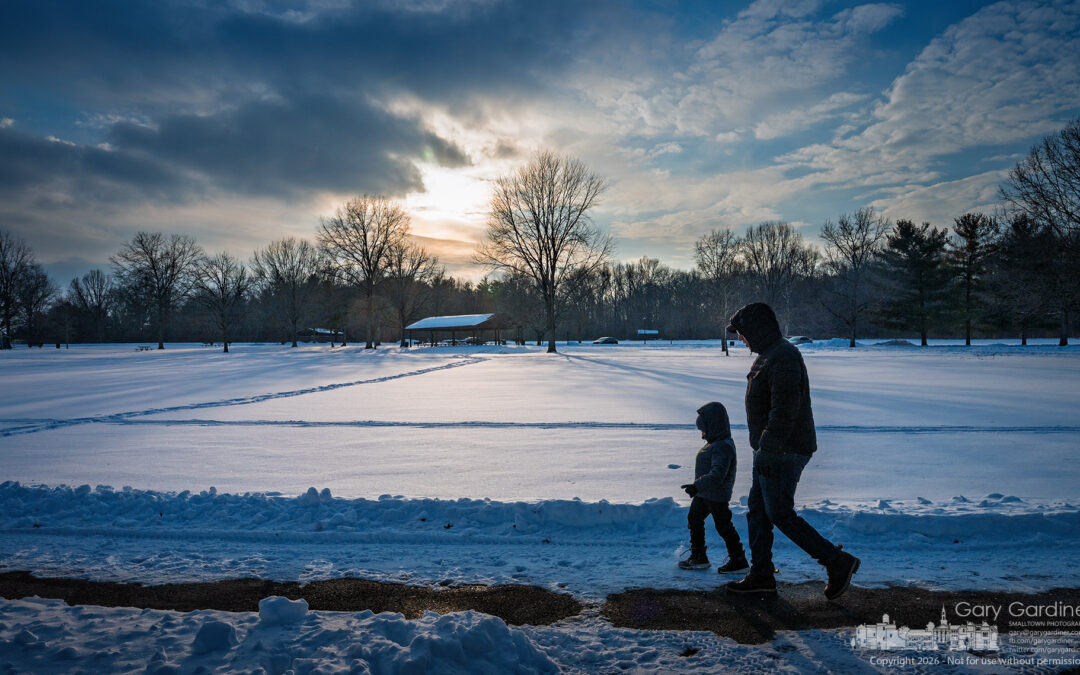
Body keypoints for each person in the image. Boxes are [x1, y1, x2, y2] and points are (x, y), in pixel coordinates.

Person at [723, 302, 860, 600]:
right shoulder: (768, 355)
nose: (740, 339)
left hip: (784, 450)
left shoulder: (783, 356)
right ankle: (761, 574)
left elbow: (784, 411)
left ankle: (837, 562)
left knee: (779, 513)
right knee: (758, 511)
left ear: (756, 330)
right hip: (769, 449)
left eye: (743, 333)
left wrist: (769, 450)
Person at [678, 402, 748, 573]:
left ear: (713, 425)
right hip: (704, 494)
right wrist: (698, 488)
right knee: (694, 519)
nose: (702, 435)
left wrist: (696, 486)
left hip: (716, 495)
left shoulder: (723, 446)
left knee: (724, 526)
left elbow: (718, 475)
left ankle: (739, 560)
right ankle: (699, 557)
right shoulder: (715, 443)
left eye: (704, 430)